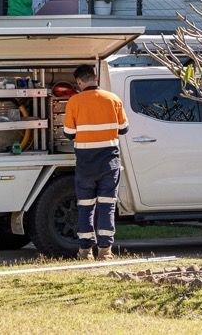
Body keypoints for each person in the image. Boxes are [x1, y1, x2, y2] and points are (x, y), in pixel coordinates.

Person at [62, 63, 129, 260]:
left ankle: (85, 251)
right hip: (109, 162)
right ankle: (105, 251)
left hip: (85, 164)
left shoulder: (74, 101)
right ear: (95, 77)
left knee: (85, 206)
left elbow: (69, 133)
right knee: (107, 205)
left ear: (80, 82)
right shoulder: (113, 99)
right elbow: (124, 128)